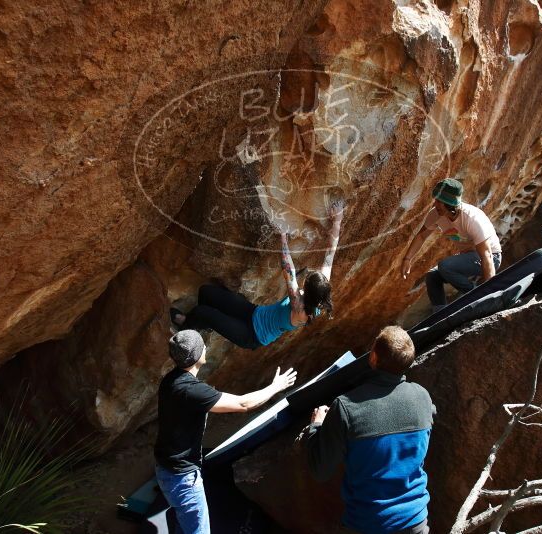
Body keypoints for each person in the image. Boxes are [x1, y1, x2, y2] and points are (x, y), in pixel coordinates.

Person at [154, 330, 297, 534]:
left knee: (183, 521)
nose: (206, 346)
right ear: (196, 356)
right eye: (202, 345)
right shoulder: (192, 391)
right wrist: (276, 387)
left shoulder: (170, 380)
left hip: (166, 468)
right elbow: (243, 403)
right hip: (182, 478)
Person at [306, 326, 435, 534]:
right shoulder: (423, 397)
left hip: (368, 525)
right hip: (416, 522)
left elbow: (320, 471)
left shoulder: (347, 407)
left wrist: (317, 426)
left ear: (373, 357)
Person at [171, 200, 345, 349]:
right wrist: (337, 219)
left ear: (308, 289)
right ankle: (205, 322)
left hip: (252, 335)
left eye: (306, 282)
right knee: (205, 292)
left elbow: (288, 269)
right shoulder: (320, 293)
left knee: (203, 312)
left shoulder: (298, 306)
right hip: (255, 313)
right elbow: (330, 253)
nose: (305, 280)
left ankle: (187, 323)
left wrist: (283, 237)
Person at [401, 178, 502, 310]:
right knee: (432, 276)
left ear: (450, 204)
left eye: (439, 201)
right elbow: (421, 236)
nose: (435, 204)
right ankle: (440, 314)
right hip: (470, 256)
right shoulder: (436, 214)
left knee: (445, 266)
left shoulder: (471, 218)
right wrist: (407, 259)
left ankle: (479, 295)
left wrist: (489, 290)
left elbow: (486, 255)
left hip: (491, 257)